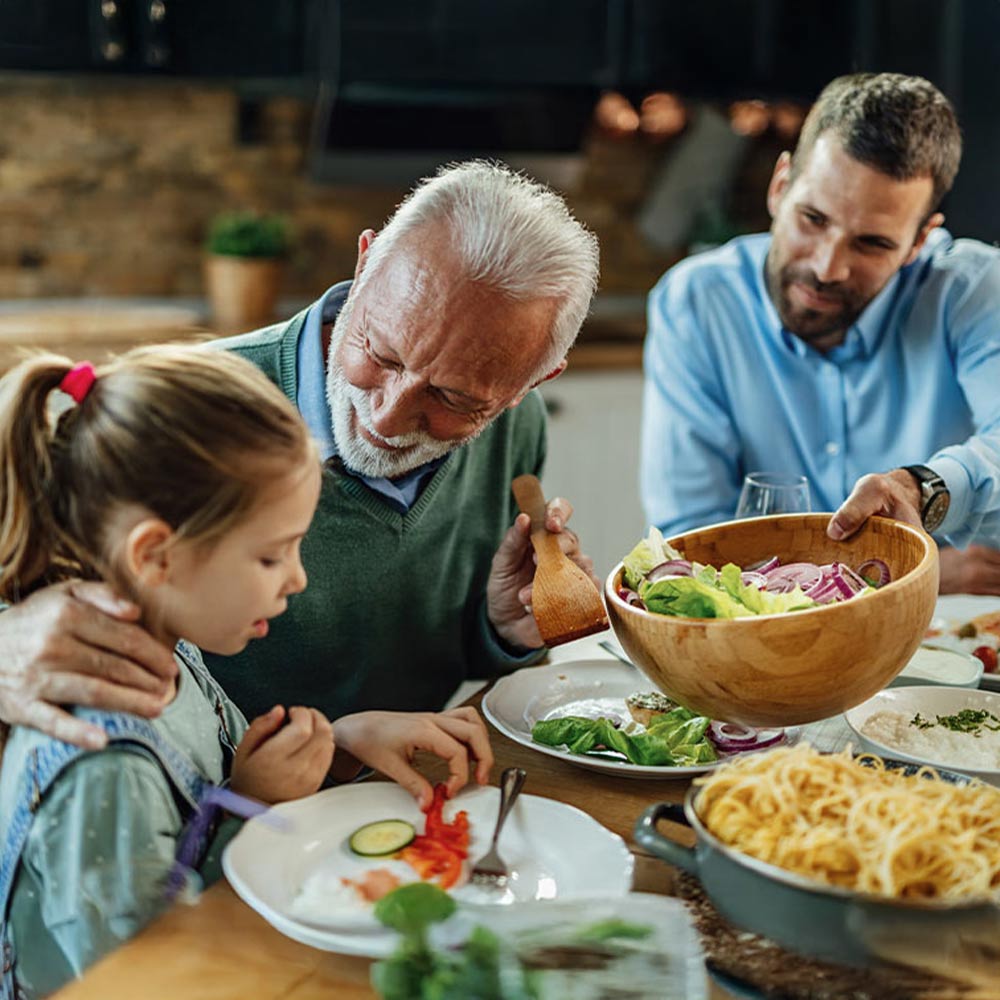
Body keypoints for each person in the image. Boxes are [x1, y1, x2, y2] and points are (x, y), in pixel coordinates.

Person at [0, 159, 601, 750]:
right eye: (381, 352)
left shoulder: (516, 428)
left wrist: (499, 629)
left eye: (452, 397)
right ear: (365, 264)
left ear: (532, 383)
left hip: (379, 801)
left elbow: (414, 644)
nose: (387, 416)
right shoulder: (182, 414)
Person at [0, 348, 493, 998]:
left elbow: (218, 783)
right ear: (155, 557)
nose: (298, 578)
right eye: (270, 556)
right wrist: (256, 806)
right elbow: (146, 970)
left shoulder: (168, 646)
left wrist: (337, 748)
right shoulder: (100, 758)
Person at [640, 72, 1000, 592]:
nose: (829, 267)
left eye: (872, 243)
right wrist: (914, 573)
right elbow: (695, 541)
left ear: (920, 240)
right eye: (813, 219)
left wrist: (924, 489)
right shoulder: (697, 304)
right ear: (780, 185)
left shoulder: (973, 289)